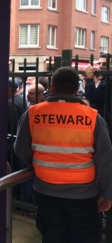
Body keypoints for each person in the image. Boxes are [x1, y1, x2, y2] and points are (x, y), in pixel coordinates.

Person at [14, 67, 112, 243]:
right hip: (84, 196)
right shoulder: (92, 117)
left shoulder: (33, 113)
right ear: (76, 89)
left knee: (52, 237)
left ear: (52, 87)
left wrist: (38, 162)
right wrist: (106, 193)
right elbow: (105, 159)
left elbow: (20, 149)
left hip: (46, 192)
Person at [84, 54, 112, 121]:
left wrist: (90, 79)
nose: (100, 66)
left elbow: (91, 98)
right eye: (99, 63)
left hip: (106, 120)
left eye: (105, 64)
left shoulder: (109, 81)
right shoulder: (106, 80)